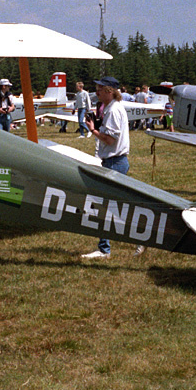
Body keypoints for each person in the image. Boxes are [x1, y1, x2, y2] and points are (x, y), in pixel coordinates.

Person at [82, 76, 130, 259]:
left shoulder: (112, 111)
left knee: (105, 206)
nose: (97, 92)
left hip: (113, 162)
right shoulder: (113, 108)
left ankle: (104, 249)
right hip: (115, 161)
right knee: (113, 205)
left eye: (100, 89)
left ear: (110, 91)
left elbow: (110, 140)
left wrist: (93, 130)